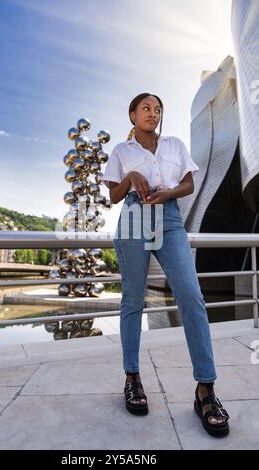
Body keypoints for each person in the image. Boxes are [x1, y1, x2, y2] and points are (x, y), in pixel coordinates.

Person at [103, 93, 230, 437]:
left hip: (170, 218)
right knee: (132, 300)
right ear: (132, 114)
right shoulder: (121, 151)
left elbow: (189, 183)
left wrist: (167, 194)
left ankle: (205, 389)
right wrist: (131, 177)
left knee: (192, 297)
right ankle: (133, 378)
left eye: (158, 109)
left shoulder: (174, 144)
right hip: (132, 217)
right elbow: (113, 195)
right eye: (146, 108)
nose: (153, 113)